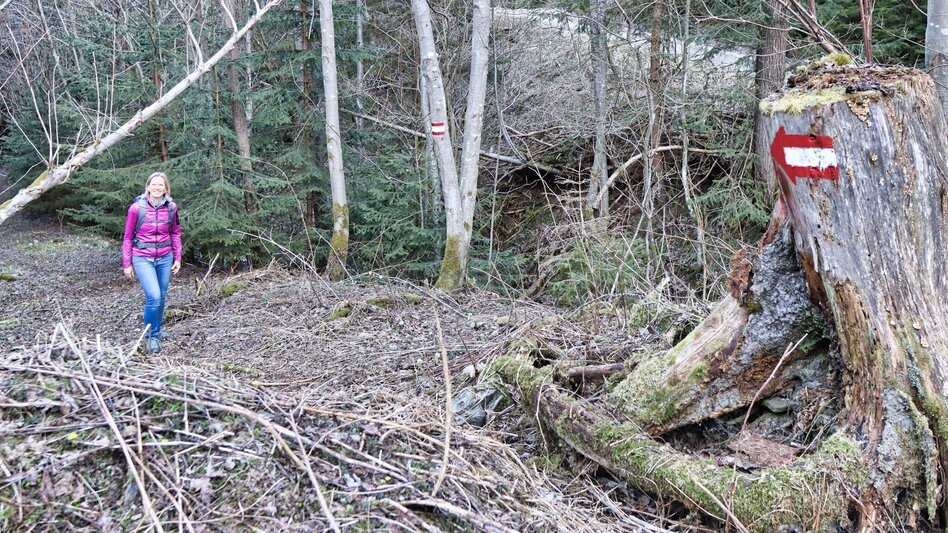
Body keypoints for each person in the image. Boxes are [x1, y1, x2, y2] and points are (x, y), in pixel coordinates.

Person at [122, 171, 182, 353]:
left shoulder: (172, 208)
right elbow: (127, 237)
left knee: (162, 296)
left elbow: (175, 232)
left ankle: (157, 328)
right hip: (142, 258)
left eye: (160, 185)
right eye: (154, 184)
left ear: (166, 188)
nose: (157, 188)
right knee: (154, 297)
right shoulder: (136, 209)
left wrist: (178, 256)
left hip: (165, 257)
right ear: (148, 187)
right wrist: (127, 263)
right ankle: (151, 337)